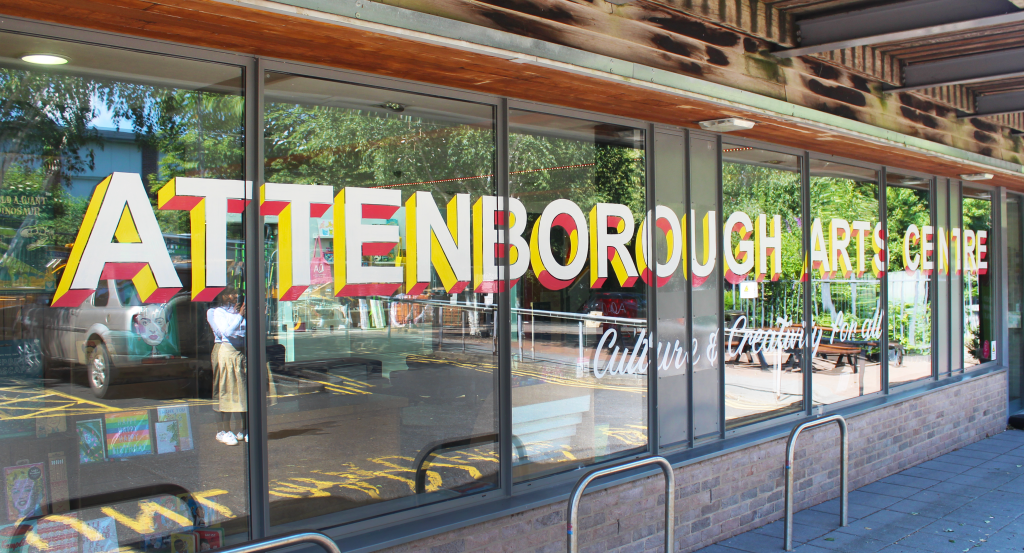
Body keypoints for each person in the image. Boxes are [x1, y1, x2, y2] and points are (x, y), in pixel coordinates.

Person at [209, 288, 247, 446]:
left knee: (241, 390)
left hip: (240, 351)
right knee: (224, 390)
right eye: (230, 293)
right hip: (224, 349)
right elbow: (223, 333)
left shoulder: (237, 312)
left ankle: (242, 428)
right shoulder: (215, 311)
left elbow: (245, 332)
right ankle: (223, 430)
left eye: (236, 294)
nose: (234, 296)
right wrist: (239, 317)